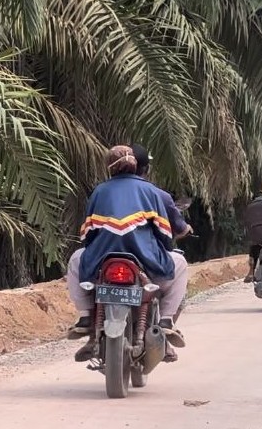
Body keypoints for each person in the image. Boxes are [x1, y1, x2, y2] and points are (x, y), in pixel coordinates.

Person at [65, 145, 189, 363]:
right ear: (137, 166)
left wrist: (96, 249)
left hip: (103, 262)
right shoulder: (151, 191)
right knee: (180, 264)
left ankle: (85, 317)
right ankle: (167, 321)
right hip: (145, 262)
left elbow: (86, 234)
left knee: (75, 259)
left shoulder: (99, 191)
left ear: (109, 167)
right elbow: (164, 233)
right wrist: (162, 249)